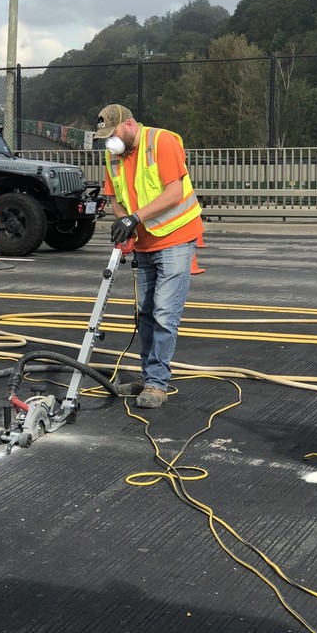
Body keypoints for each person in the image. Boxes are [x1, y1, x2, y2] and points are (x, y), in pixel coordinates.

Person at [95, 104, 203, 409]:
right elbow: (116, 200)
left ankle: (157, 383)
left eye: (113, 134)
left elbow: (174, 193)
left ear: (129, 125)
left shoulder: (162, 142)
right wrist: (123, 221)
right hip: (144, 242)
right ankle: (147, 376)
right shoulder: (113, 154)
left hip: (176, 238)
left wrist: (135, 218)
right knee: (144, 313)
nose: (110, 141)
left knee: (164, 313)